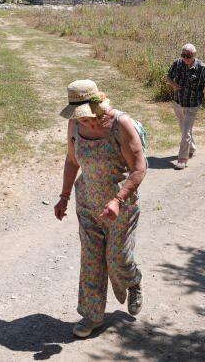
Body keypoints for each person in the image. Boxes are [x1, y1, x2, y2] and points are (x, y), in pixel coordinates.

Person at [55, 80, 147, 338]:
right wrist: (63, 197)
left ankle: (133, 281)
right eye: (80, 119)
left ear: (98, 107)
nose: (85, 122)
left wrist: (118, 200)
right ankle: (92, 315)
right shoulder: (74, 124)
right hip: (87, 202)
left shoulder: (121, 125)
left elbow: (139, 168)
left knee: (118, 259)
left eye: (87, 118)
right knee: (92, 261)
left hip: (121, 204)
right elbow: (72, 161)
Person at [166, 44, 205, 170]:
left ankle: (182, 159)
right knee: (183, 129)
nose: (185, 58)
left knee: (186, 131)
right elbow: (168, 77)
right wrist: (173, 85)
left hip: (192, 105)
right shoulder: (177, 64)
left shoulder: (202, 68)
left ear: (194, 56)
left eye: (188, 56)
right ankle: (191, 148)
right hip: (178, 102)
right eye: (183, 55)